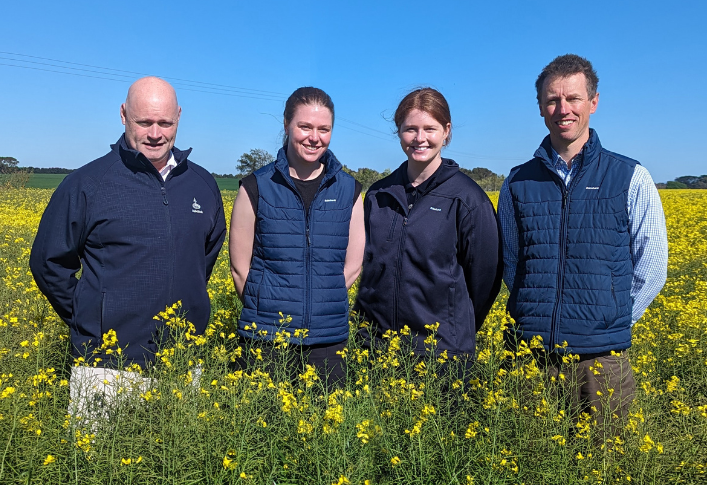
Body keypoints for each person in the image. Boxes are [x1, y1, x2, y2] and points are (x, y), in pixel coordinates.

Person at [30, 77, 227, 419]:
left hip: (179, 363)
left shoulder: (203, 185)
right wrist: (90, 318)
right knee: (98, 469)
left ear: (178, 117)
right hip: (105, 367)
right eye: (144, 122)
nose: (155, 134)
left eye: (165, 123)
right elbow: (48, 263)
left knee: (174, 467)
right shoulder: (87, 183)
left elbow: (202, 260)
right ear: (123, 115)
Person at [498, 54, 668, 437]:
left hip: (601, 361)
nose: (563, 109)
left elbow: (653, 268)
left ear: (593, 102)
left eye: (573, 98)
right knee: (528, 460)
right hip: (530, 355)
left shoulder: (631, 176)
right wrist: (534, 310)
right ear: (541, 107)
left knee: (604, 464)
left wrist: (612, 320)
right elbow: (512, 262)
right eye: (552, 100)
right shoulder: (516, 182)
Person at [354, 87, 503, 362]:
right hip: (376, 350)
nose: (419, 138)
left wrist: (455, 329)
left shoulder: (468, 200)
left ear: (446, 131)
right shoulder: (378, 195)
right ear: (399, 131)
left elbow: (485, 280)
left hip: (440, 355)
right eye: (410, 129)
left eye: (430, 129)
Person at [229, 87, 365, 386]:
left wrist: (320, 298)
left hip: (327, 338)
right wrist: (266, 306)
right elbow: (240, 268)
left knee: (325, 428)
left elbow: (354, 264)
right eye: (305, 127)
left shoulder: (349, 190)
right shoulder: (256, 186)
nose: (314, 137)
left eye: (323, 129)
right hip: (266, 336)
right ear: (287, 124)